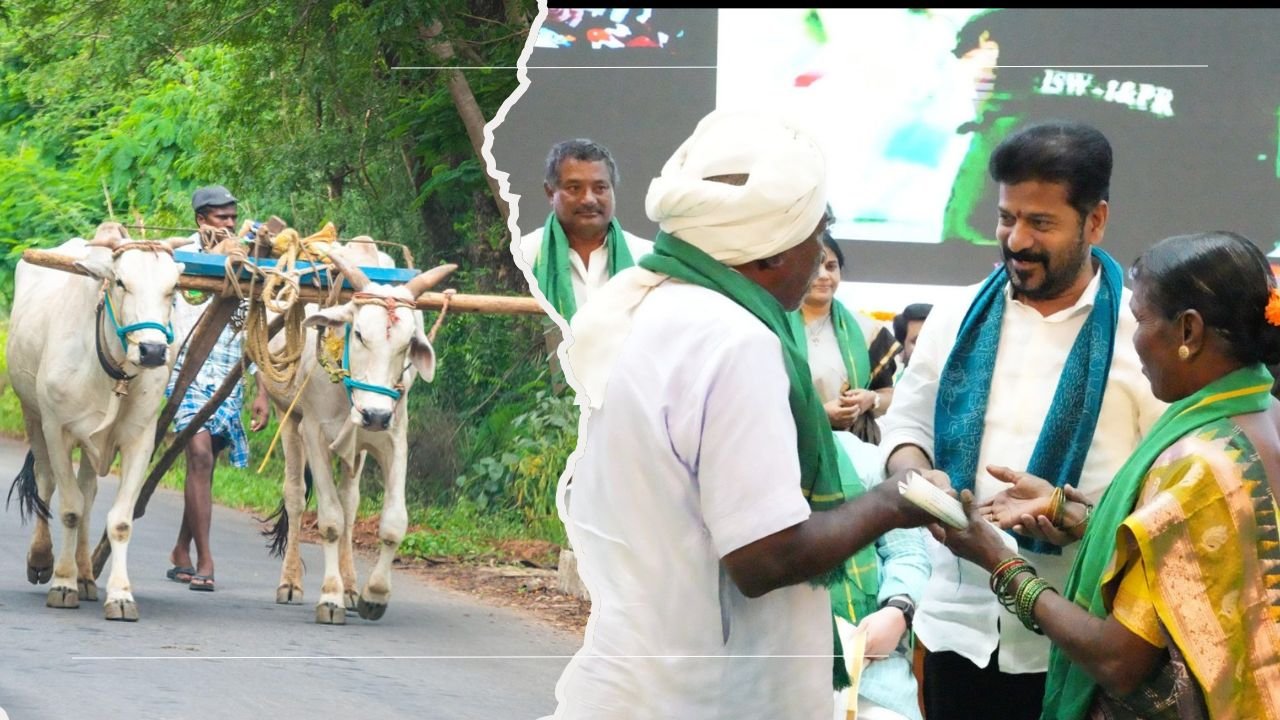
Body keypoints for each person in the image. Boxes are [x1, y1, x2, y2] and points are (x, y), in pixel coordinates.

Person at [548, 109, 947, 719]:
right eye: (817, 235)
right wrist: (895, 501)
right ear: (769, 253)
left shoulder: (650, 306)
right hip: (704, 695)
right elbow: (765, 557)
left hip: (635, 678)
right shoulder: (738, 342)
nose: (820, 257)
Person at [877, 120, 1166, 720]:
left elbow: (1168, 494)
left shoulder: (1138, 334)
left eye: (1041, 223)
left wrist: (1079, 519)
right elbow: (905, 431)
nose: (1016, 240)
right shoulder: (957, 312)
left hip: (1078, 642)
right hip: (954, 627)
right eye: (1008, 218)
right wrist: (920, 479)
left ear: (1096, 221)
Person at [933, 230, 1280, 719]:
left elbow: (1118, 659)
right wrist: (1073, 514)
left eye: (1139, 321)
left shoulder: (1203, 463)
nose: (1134, 343)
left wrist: (998, 562)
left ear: (1189, 332)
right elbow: (1197, 555)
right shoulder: (1262, 416)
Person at [164, 185, 270, 592]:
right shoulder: (178, 258)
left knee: (203, 467)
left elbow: (257, 326)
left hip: (229, 374)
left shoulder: (250, 258)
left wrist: (261, 391)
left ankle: (180, 549)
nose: (228, 223)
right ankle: (206, 560)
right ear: (201, 220)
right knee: (200, 455)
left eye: (232, 216)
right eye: (220, 217)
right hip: (187, 373)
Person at [518, 138, 653, 323]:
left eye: (600, 188)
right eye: (574, 188)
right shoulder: (523, 256)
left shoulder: (648, 260)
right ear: (550, 193)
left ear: (613, 190)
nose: (589, 199)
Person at [793, 226, 897, 440]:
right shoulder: (774, 326)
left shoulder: (868, 332)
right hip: (794, 444)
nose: (823, 275)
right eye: (815, 267)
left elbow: (891, 395)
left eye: (831, 267)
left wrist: (870, 399)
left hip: (854, 447)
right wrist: (820, 416)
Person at [892, 302, 932, 372]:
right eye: (918, 342)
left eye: (933, 341)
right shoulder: (892, 382)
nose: (928, 349)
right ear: (901, 350)